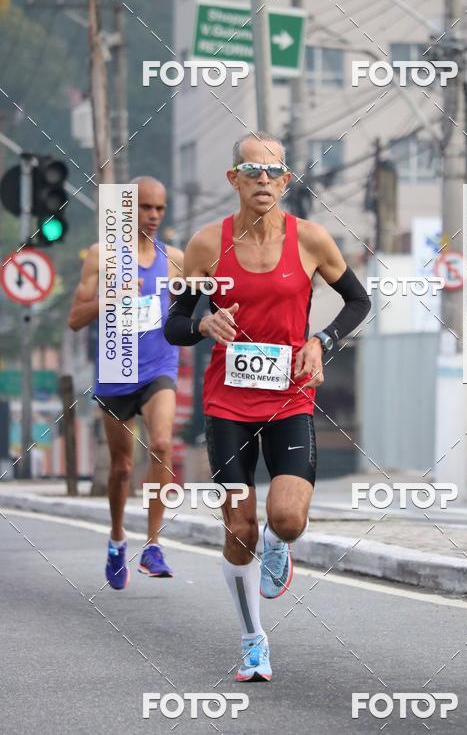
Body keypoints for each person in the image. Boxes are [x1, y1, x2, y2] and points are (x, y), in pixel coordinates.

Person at [164, 134, 371, 681]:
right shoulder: (208, 245)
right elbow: (175, 323)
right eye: (251, 170)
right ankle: (253, 639)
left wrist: (321, 342)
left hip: (289, 397)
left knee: (286, 518)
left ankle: (281, 545)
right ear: (233, 179)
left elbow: (359, 301)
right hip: (227, 403)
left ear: (285, 182)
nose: (262, 179)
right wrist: (203, 322)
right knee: (239, 527)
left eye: (272, 171)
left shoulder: (312, 240)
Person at [68, 176, 183, 589]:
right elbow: (75, 318)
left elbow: (196, 308)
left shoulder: (175, 260)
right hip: (117, 370)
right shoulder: (101, 257)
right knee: (121, 468)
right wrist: (110, 297)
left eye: (160, 209)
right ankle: (118, 537)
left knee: (163, 444)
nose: (152, 216)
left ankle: (153, 545)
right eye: (144, 208)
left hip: (159, 367)